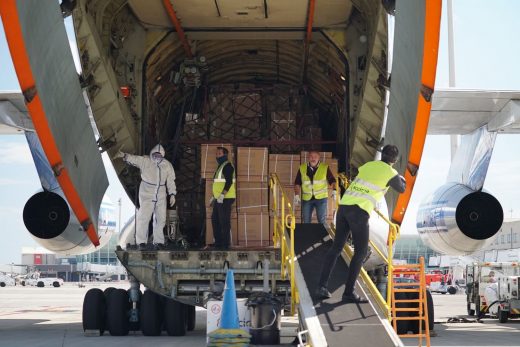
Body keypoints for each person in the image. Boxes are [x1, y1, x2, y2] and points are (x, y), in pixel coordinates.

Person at [316, 144, 406, 303]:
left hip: (343, 208)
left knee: (336, 248)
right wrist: (401, 179)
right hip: (359, 212)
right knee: (361, 252)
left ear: (382, 154)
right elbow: (401, 189)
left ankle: (321, 286)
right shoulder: (391, 172)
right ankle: (348, 292)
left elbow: (365, 175)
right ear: (395, 160)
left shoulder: (368, 166)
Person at [115, 144, 176, 250]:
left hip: (161, 193)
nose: (157, 157)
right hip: (147, 192)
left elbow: (171, 180)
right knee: (144, 217)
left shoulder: (167, 165)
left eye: (159, 155)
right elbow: (134, 159)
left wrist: (172, 194)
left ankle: (158, 242)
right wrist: (124, 156)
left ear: (162, 155)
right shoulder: (145, 161)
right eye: (155, 155)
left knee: (161, 218)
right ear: (152, 154)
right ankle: (141, 242)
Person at [293, 151, 337, 224]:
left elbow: (332, 180)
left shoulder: (324, 167)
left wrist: (334, 190)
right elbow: (297, 183)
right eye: (311, 156)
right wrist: (296, 195)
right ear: (308, 158)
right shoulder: (302, 168)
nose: (313, 158)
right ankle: (307, 235)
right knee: (306, 221)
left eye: (315, 157)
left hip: (321, 198)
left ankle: (323, 235)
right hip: (307, 198)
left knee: (322, 220)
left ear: (319, 158)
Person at [209, 147, 236, 250]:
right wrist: (214, 197)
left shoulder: (228, 166)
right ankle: (218, 243)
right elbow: (218, 184)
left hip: (226, 198)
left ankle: (225, 245)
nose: (217, 155)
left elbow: (228, 182)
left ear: (225, 155)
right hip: (219, 199)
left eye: (219, 153)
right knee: (215, 220)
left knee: (224, 221)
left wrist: (222, 195)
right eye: (216, 154)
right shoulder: (220, 166)